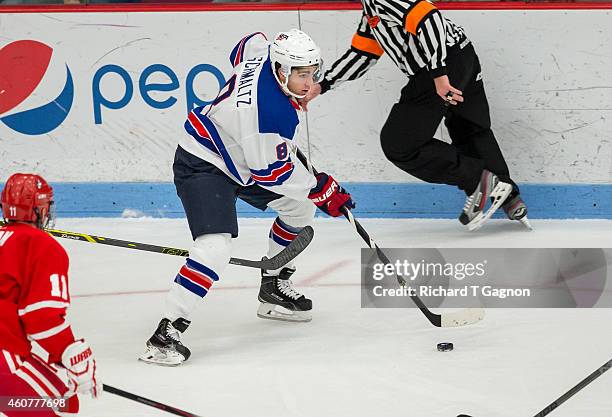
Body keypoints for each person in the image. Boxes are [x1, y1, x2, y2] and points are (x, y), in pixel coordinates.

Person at [140, 29, 354, 366]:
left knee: (299, 211)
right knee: (215, 248)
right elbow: (270, 173)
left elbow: (247, 43)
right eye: (301, 75)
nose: (309, 83)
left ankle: (273, 287)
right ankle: (166, 334)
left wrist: (312, 189)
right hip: (204, 162)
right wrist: (320, 189)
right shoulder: (270, 113)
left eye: (312, 73)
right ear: (281, 70)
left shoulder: (262, 54)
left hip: (242, 154)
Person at [301, 0, 530, 231]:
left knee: (399, 143)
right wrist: (324, 84)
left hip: (440, 67)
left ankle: (480, 180)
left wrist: (439, 74)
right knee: (468, 127)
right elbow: (363, 53)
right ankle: (508, 195)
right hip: (462, 55)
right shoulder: (371, 9)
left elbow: (429, 19)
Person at [0, 173, 100, 416]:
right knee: (60, 406)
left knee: (64, 399)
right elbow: (40, 318)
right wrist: (69, 352)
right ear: (39, 211)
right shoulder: (41, 245)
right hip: (4, 356)